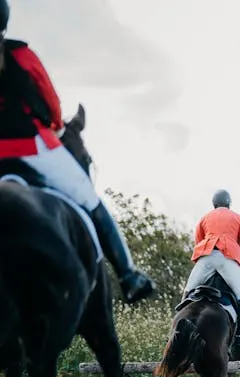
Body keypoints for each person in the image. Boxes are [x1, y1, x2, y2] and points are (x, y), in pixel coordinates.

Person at [0, 1, 154, 304]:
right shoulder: (21, 55)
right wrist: (56, 125)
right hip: (33, 147)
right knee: (89, 198)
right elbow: (52, 102)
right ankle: (129, 276)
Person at [182, 190, 240, 351]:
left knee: (188, 289)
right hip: (227, 257)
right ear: (229, 203)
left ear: (214, 203)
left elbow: (198, 239)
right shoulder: (238, 218)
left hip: (207, 256)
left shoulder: (205, 217)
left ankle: (177, 328)